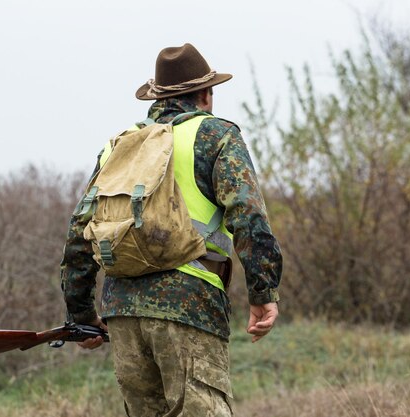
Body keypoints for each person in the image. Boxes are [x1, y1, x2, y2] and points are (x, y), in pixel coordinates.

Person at [60, 43, 282, 417]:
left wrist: (82, 314)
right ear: (206, 94)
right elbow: (249, 216)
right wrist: (263, 290)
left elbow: (80, 230)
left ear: (157, 96)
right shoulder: (216, 135)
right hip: (190, 305)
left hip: (123, 309)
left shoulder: (120, 144)